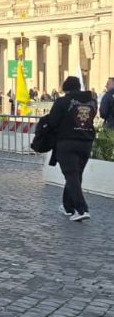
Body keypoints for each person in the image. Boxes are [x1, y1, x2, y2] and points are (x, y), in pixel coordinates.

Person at [42, 76, 97, 222]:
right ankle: (68, 207)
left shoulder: (62, 101)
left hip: (67, 142)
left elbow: (53, 121)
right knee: (76, 175)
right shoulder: (92, 101)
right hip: (86, 141)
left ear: (66, 88)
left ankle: (81, 209)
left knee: (71, 175)